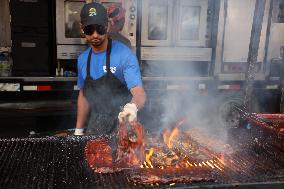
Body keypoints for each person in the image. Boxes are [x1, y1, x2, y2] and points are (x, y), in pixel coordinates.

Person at [74, 2, 146, 136]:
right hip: (95, 126)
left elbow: (139, 93)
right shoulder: (83, 59)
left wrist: (132, 107)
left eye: (100, 29)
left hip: (123, 126)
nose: (95, 35)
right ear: (82, 29)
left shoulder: (124, 55)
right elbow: (83, 96)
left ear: (107, 26)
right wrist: (78, 129)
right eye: (89, 30)